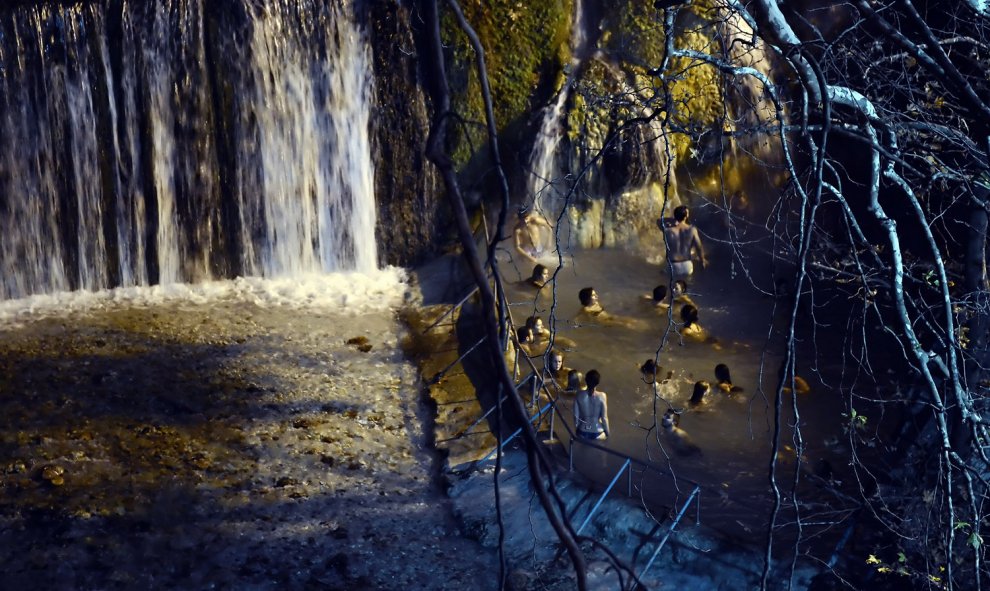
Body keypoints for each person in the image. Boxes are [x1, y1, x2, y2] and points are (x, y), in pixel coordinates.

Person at [658, 205, 707, 278]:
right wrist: (702, 260)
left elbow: (658, 221)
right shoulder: (692, 230)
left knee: (664, 277)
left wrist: (673, 220)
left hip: (673, 266)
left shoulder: (668, 229)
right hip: (687, 265)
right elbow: (698, 247)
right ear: (685, 217)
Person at [574, 287, 641, 328]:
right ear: (587, 298)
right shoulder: (586, 309)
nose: (597, 296)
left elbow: (603, 310)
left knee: (631, 320)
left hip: (609, 316)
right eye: (594, 295)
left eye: (596, 294)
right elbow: (577, 316)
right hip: (604, 322)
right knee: (627, 325)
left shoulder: (597, 303)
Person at [574, 369, 610, 440]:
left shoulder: (578, 395)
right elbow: (604, 418)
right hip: (598, 432)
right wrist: (607, 433)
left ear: (586, 380)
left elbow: (576, 417)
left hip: (582, 431)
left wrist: (577, 431)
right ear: (598, 382)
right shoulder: (602, 396)